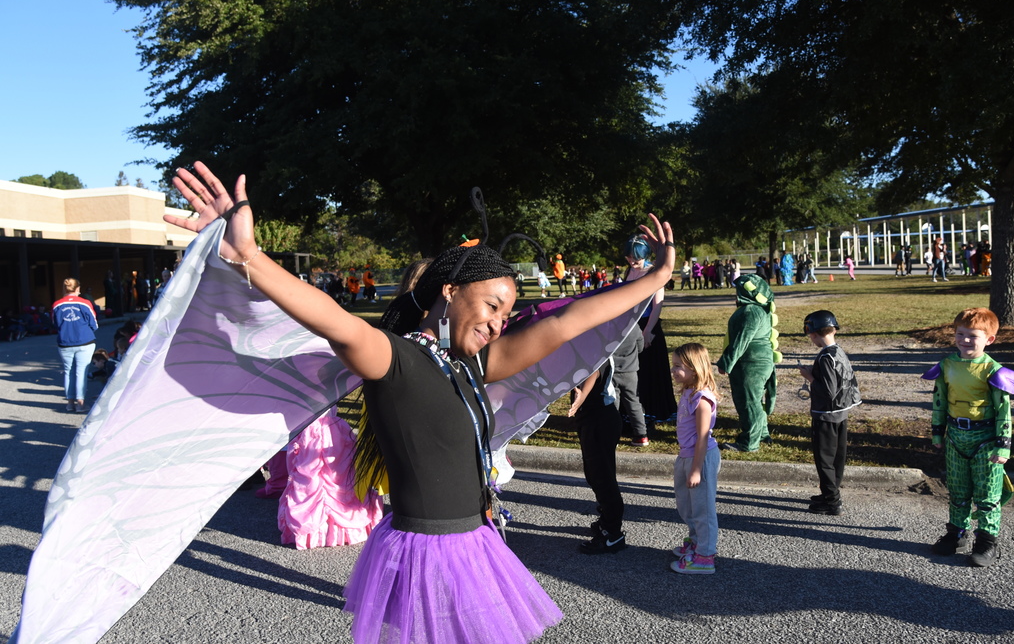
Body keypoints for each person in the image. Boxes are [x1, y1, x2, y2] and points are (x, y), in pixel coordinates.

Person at [165, 161, 675, 644]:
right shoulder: (395, 359)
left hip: (477, 539)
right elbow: (332, 318)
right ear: (450, 291)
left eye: (507, 313)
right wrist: (249, 256)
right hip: (429, 550)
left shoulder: (473, 363)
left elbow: (565, 323)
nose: (501, 322)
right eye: (493, 306)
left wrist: (651, 281)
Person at [925, 308, 1014, 567]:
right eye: (960, 334)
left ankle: (987, 540)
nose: (964, 340)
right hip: (956, 438)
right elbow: (939, 401)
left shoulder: (994, 371)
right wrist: (937, 432)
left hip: (986, 441)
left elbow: (1004, 411)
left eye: (972, 336)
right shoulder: (946, 366)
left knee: (988, 495)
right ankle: (956, 532)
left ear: (989, 339)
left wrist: (1003, 446)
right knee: (957, 491)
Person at [798, 311, 861, 516]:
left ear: (814, 334)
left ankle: (832, 502)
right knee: (836, 458)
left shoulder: (825, 357)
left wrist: (809, 377)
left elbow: (827, 391)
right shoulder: (838, 351)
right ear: (833, 330)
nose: (811, 339)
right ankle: (829, 492)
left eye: (810, 335)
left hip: (825, 416)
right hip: (841, 414)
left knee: (824, 459)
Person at [668, 343, 720, 575]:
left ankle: (705, 556)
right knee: (686, 505)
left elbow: (702, 437)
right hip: (687, 455)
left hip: (701, 457)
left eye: (678, 366)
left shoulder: (702, 399)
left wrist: (696, 469)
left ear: (695, 368)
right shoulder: (688, 391)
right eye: (673, 365)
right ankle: (697, 542)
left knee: (702, 508)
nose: (673, 370)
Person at [716, 274, 780, 452]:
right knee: (755, 400)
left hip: (750, 364)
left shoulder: (750, 311)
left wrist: (726, 362)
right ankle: (763, 434)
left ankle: (749, 442)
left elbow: (741, 340)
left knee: (748, 403)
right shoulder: (761, 309)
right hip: (761, 362)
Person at [568, 361, 627, 554]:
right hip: (591, 418)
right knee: (594, 474)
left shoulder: (597, 344)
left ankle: (612, 533)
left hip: (600, 419)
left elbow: (594, 368)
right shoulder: (583, 345)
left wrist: (581, 396)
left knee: (602, 477)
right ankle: (606, 520)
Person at [625, 236, 676, 428]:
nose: (632, 261)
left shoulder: (654, 272)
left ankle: (653, 411)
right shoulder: (629, 271)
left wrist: (648, 331)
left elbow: (657, 306)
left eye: (635, 258)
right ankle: (633, 411)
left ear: (645, 256)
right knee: (633, 374)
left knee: (650, 373)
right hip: (630, 326)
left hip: (649, 326)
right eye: (629, 257)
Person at [52, 278, 99, 413]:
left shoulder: (57, 305)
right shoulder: (85, 303)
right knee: (81, 372)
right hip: (85, 340)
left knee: (68, 371)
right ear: (78, 289)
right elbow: (94, 323)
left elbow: (55, 323)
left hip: (64, 341)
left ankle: (70, 403)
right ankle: (80, 403)